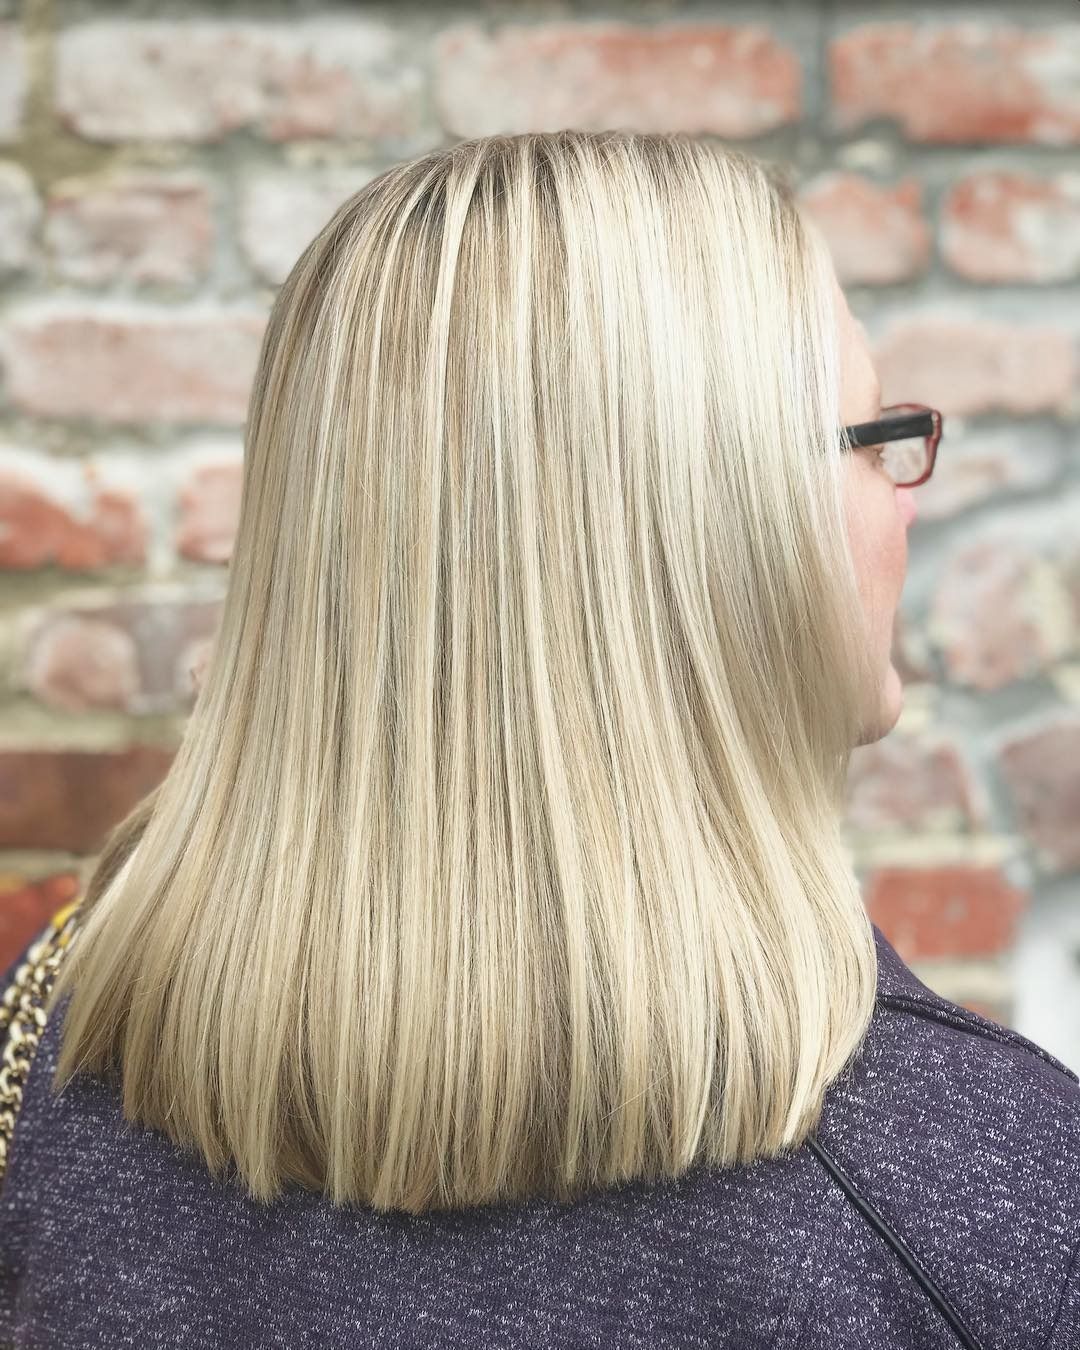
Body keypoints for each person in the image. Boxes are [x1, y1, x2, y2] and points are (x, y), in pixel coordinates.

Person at [0, 129, 1076, 1349]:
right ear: (722, 525)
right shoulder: (995, 1202)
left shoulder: (46, 1077)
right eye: (874, 437)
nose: (906, 491)